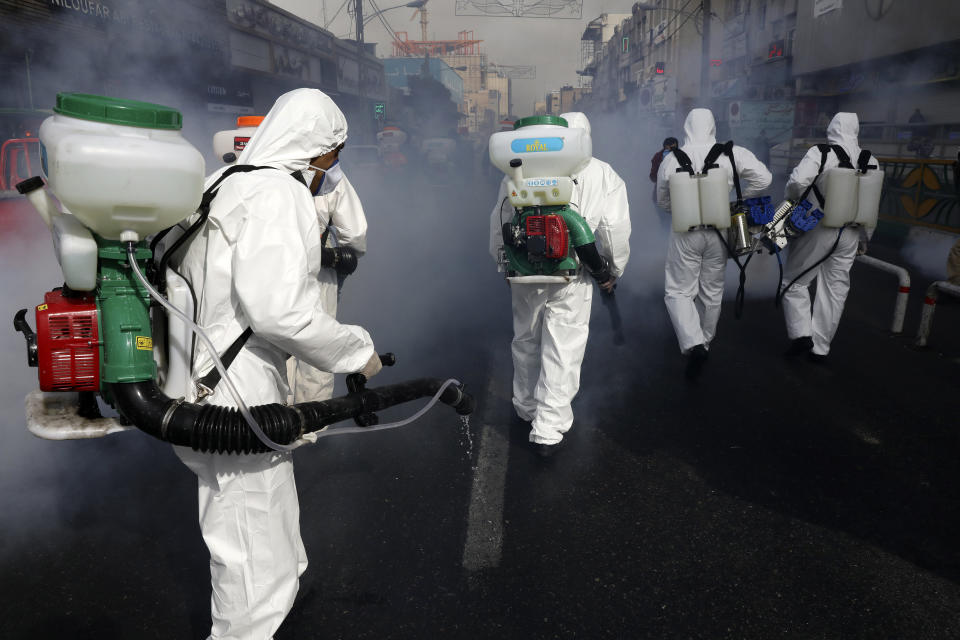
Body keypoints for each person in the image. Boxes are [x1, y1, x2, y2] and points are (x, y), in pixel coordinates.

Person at [173, 88, 382, 639]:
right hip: (232, 385)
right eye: (332, 156)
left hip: (194, 370)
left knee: (268, 497)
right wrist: (356, 350)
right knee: (244, 527)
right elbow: (280, 313)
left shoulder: (222, 182)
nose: (330, 167)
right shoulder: (280, 195)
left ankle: (285, 583)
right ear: (318, 152)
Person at [489, 111, 631, 457]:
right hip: (575, 272)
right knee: (562, 346)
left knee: (526, 338)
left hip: (524, 269)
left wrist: (502, 263)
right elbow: (613, 229)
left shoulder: (516, 167)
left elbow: (501, 220)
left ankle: (525, 407)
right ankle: (548, 428)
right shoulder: (603, 172)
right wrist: (612, 271)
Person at [657, 108, 772, 378]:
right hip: (720, 231)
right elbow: (764, 178)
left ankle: (692, 342)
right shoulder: (732, 153)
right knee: (711, 290)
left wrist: (681, 209)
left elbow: (662, 201)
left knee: (679, 291)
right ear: (712, 127)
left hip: (686, 233)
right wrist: (733, 199)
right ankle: (704, 343)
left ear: (686, 127)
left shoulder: (671, 159)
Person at [780, 112, 873, 362]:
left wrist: (792, 200)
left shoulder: (821, 153)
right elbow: (870, 201)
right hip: (852, 232)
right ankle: (820, 348)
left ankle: (801, 335)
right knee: (835, 290)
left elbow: (798, 182)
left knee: (794, 282)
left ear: (831, 129)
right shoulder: (870, 159)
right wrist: (865, 237)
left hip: (818, 226)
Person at [286, 167, 368, 403]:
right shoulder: (328, 175)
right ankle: (309, 425)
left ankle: (273, 417)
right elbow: (355, 236)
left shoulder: (243, 170)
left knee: (274, 345)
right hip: (318, 273)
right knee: (317, 346)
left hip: (265, 270)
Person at [649, 137, 678, 203]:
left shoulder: (680, 156)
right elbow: (653, 177)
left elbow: (653, 177)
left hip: (672, 194)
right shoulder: (658, 157)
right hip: (663, 195)